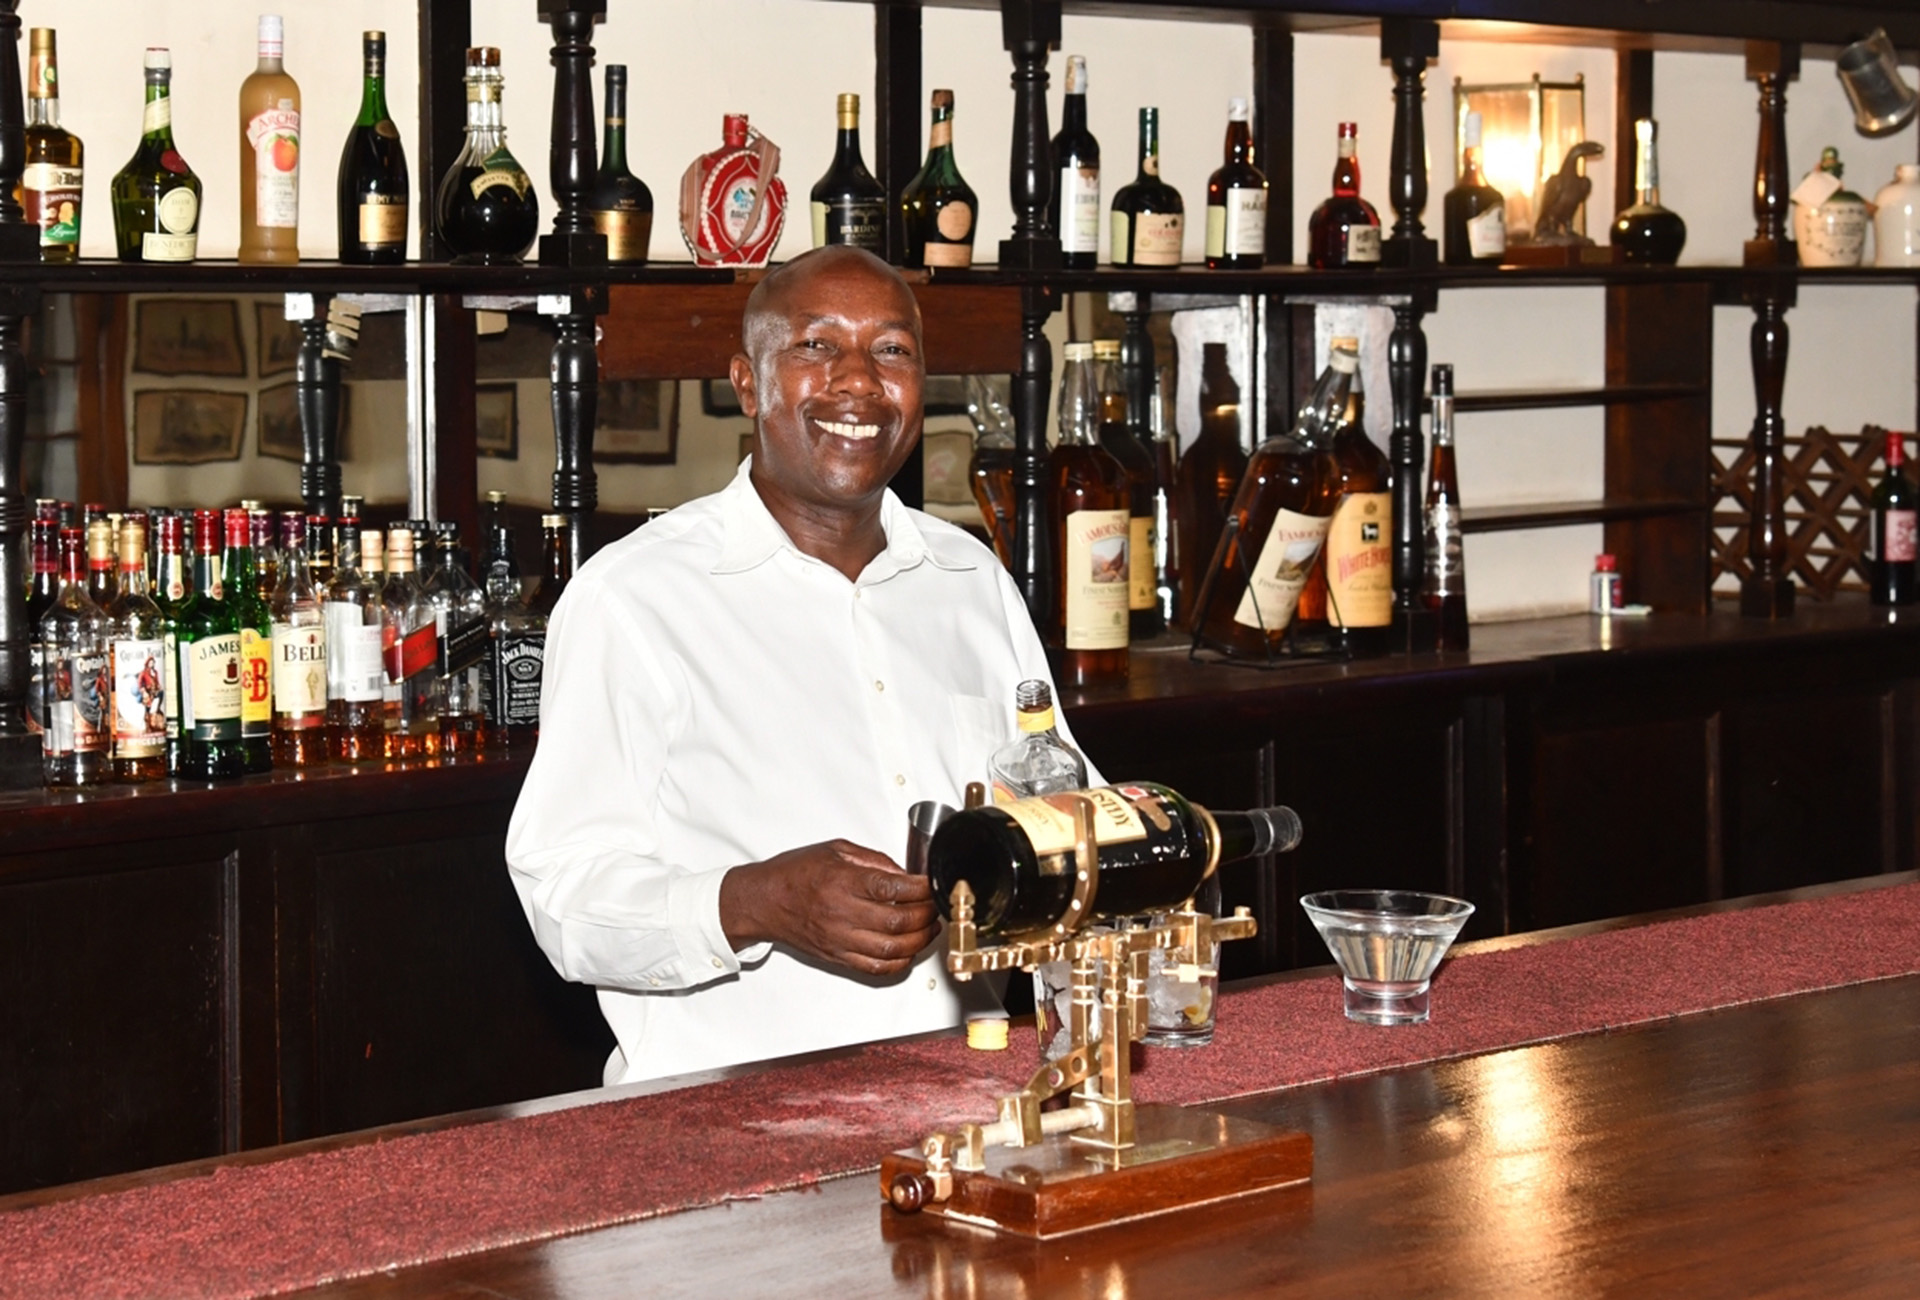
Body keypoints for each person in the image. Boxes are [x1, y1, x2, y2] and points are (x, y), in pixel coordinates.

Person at [506, 246, 1095, 1085]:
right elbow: (563, 898)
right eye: (816, 346)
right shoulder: (634, 598)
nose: (858, 381)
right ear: (748, 383)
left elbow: (1066, 817)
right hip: (727, 1126)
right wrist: (758, 902)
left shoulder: (971, 581)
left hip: (971, 1103)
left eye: (892, 350)